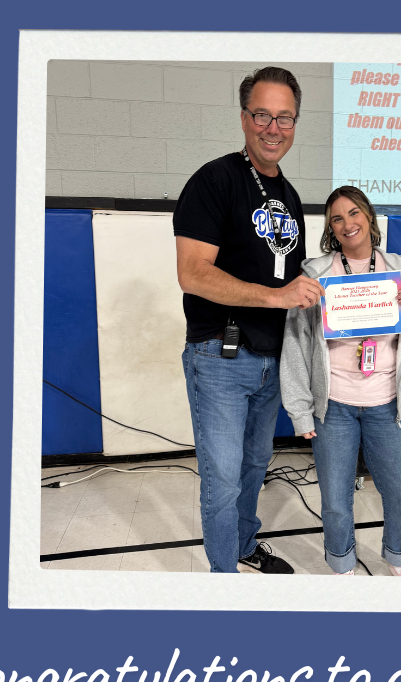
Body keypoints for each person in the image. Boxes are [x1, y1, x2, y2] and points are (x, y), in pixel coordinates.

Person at [173, 67, 324, 574]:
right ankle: (223, 578)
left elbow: (294, 282)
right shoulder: (214, 180)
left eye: (285, 117)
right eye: (262, 115)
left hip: (272, 361)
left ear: (295, 124)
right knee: (222, 476)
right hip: (221, 355)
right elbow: (193, 275)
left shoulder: (291, 197)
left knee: (255, 466)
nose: (273, 127)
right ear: (244, 118)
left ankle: (241, 544)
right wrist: (275, 296)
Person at [280, 186, 401, 576]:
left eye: (354, 213)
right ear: (331, 229)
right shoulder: (315, 274)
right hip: (333, 406)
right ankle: (341, 561)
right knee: (335, 498)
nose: (348, 223)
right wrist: (300, 412)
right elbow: (296, 345)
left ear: (368, 216)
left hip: (389, 402)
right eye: (337, 218)